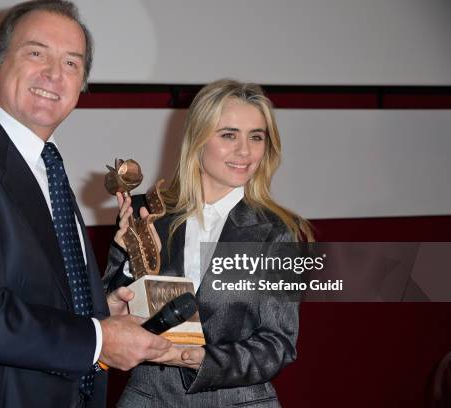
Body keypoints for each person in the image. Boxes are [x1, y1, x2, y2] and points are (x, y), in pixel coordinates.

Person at [0, 1, 170, 407]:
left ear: (81, 86)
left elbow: (38, 290)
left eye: (72, 63)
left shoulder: (48, 167)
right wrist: (99, 338)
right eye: (36, 53)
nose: (54, 74)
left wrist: (98, 309)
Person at [104, 79, 313, 407]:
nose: (245, 151)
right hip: (148, 398)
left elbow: (278, 345)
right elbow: (104, 310)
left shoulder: (275, 232)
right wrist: (132, 263)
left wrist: (195, 358)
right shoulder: (148, 212)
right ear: (197, 138)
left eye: (256, 137)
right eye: (229, 134)